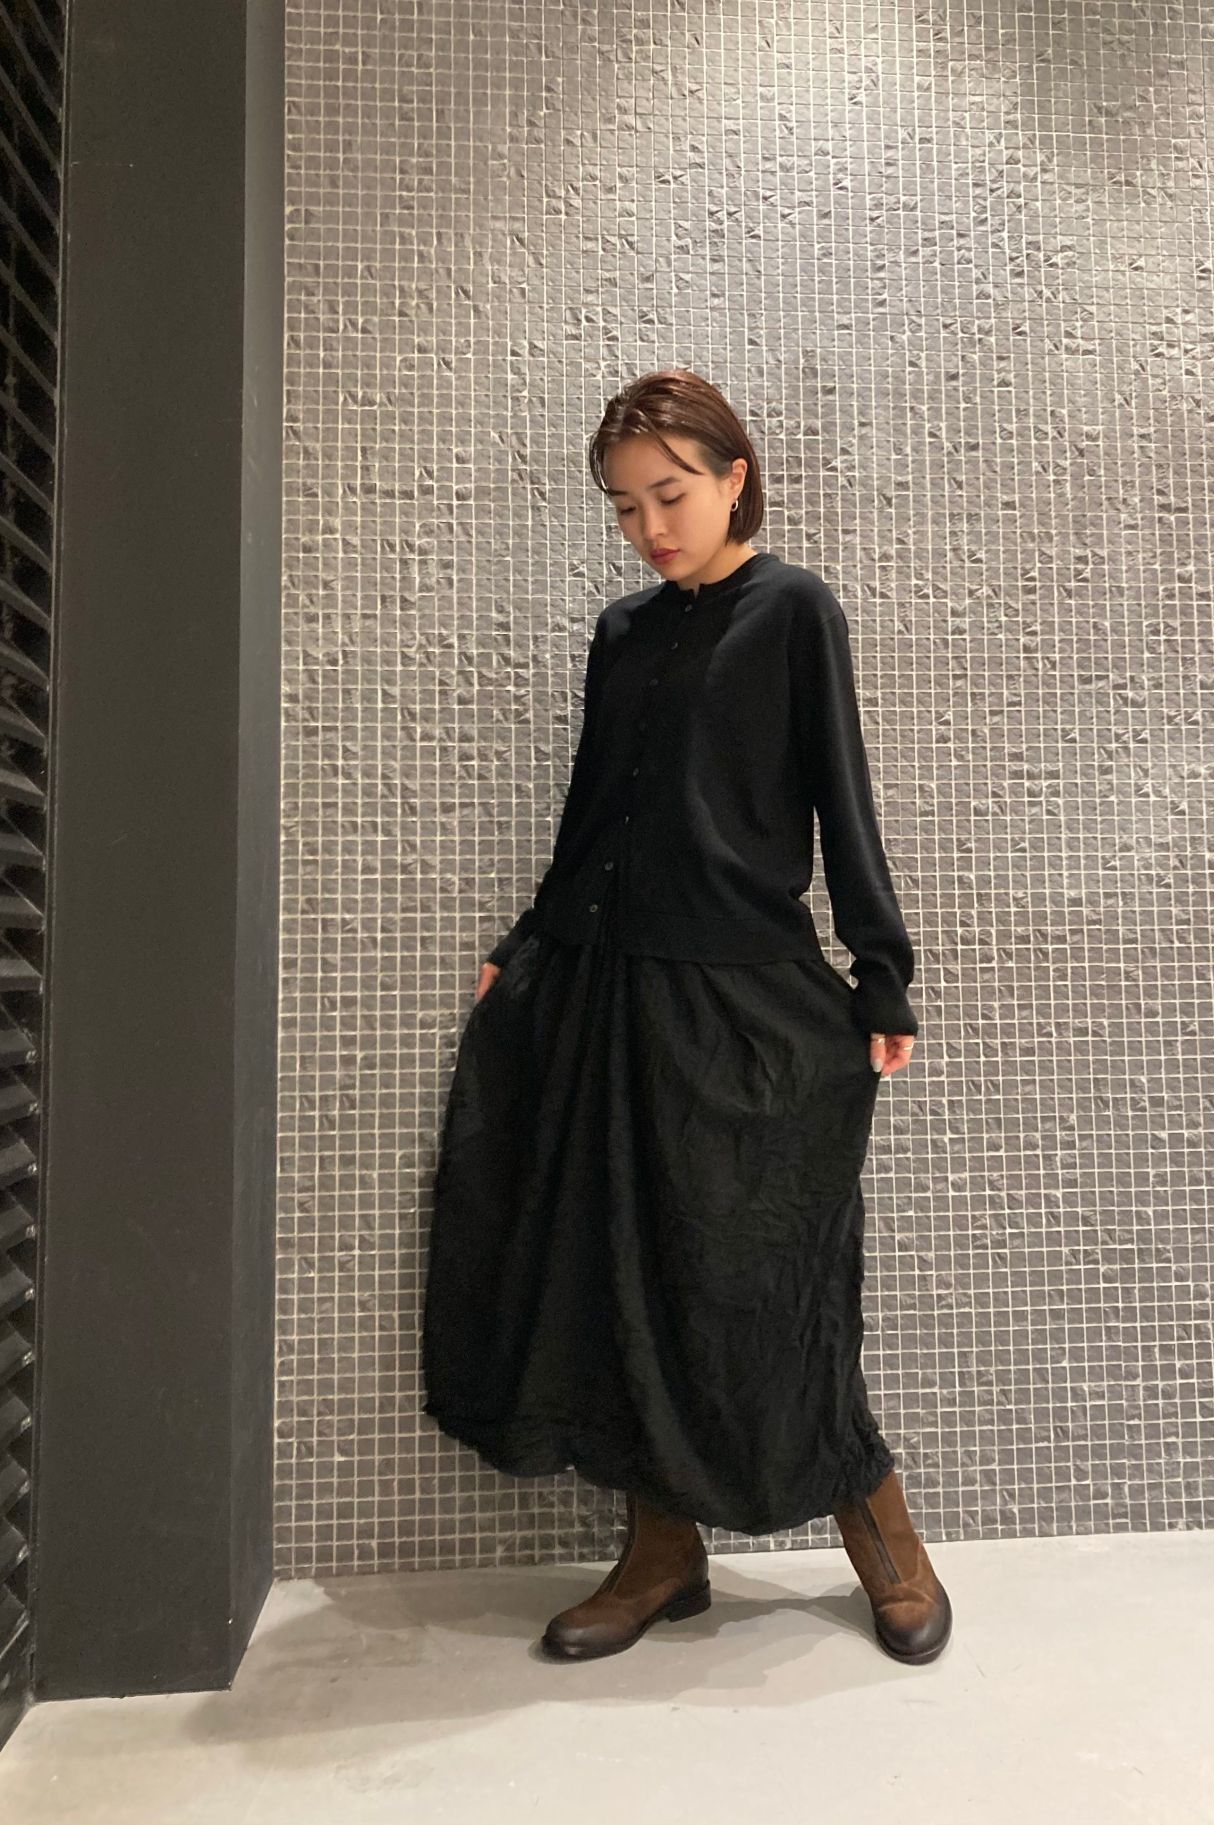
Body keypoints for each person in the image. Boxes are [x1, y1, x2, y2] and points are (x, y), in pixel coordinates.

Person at [422, 367, 951, 1666]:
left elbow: (840, 792)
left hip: (742, 997)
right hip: (610, 987)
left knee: (764, 1281)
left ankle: (883, 1535)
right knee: (619, 1270)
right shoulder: (622, 634)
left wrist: (881, 968)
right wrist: (524, 947)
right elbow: (593, 814)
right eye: (625, 505)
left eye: (669, 493)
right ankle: (661, 1554)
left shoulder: (793, 611)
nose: (649, 525)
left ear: (733, 478)